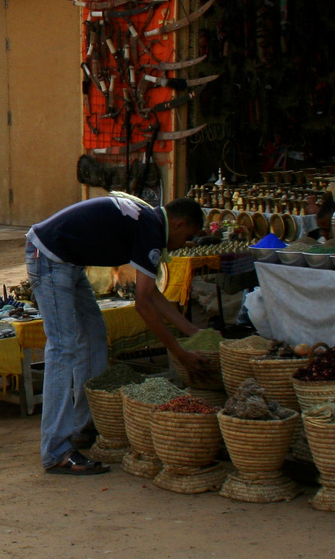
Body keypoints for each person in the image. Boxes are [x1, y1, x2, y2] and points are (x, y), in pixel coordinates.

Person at [26, 193, 208, 475]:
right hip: (50, 257)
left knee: (95, 333)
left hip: (67, 262)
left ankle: (82, 426)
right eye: (188, 237)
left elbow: (152, 294)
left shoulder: (151, 222)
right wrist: (180, 352)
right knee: (63, 348)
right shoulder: (151, 228)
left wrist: (192, 331)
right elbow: (143, 304)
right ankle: (56, 451)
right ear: (181, 223)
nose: (184, 244)